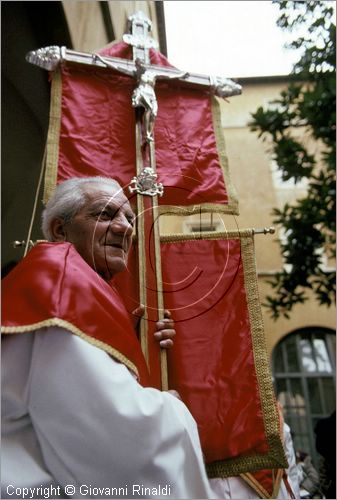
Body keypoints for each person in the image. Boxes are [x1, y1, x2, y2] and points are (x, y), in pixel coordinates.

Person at [1, 176, 217, 499]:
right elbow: (118, 446)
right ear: (61, 230)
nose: (126, 228)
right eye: (105, 214)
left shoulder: (78, 284)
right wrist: (172, 408)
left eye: (129, 219)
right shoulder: (59, 283)